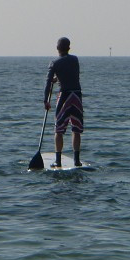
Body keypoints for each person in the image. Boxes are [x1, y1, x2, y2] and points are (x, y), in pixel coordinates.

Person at [44, 37, 83, 167]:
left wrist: (46, 100)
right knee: (76, 128)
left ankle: (58, 160)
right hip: (76, 95)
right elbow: (69, 73)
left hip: (65, 96)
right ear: (69, 48)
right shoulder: (75, 60)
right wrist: (58, 78)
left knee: (59, 129)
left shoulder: (54, 63)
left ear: (57, 48)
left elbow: (48, 83)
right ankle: (77, 160)